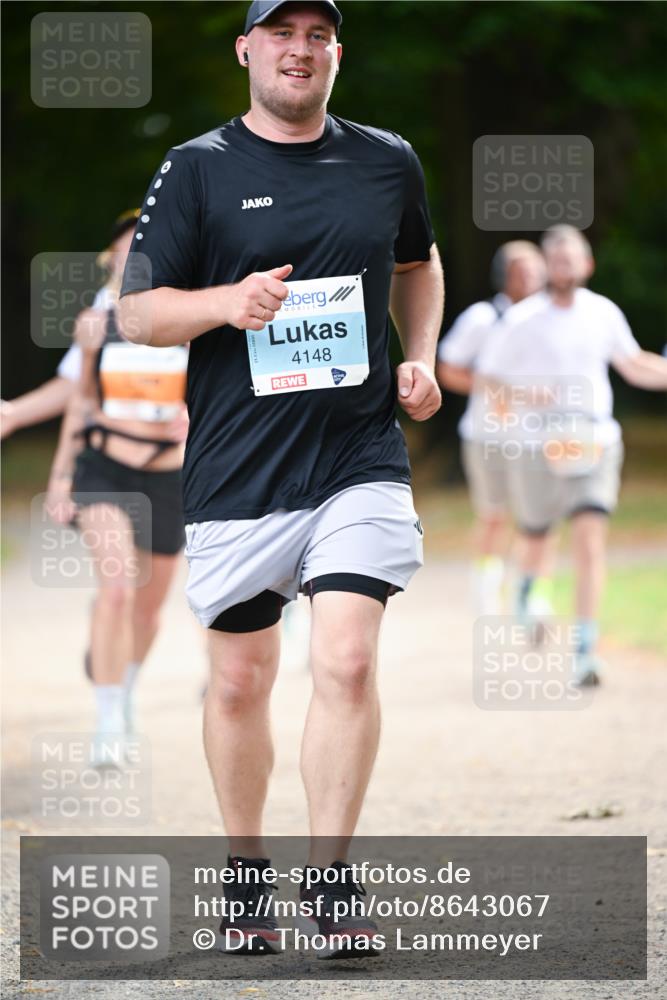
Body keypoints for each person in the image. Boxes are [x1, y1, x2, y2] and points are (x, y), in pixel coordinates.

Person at [119, 0, 443, 957]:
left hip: (358, 456)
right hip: (238, 466)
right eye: (281, 34)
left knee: (344, 658)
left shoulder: (388, 158)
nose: (299, 51)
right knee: (238, 683)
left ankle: (332, 884)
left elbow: (416, 264)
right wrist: (230, 301)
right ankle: (247, 874)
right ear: (246, 49)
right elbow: (138, 316)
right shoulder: (199, 167)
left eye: (317, 37)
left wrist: (416, 353)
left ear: (335, 54)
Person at [479, 225, 667, 685]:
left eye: (571, 259)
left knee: (589, 538)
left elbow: (633, 363)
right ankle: (527, 593)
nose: (563, 267)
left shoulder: (602, 313)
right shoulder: (521, 321)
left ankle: (584, 649)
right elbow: (489, 381)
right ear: (545, 266)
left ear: (587, 265)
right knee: (538, 538)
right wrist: (525, 399)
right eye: (555, 259)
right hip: (537, 445)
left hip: (594, 440)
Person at [46, 210, 189, 763]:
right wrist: (61, 476)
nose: (137, 254)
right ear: (112, 256)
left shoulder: (188, 318)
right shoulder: (94, 324)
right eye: (128, 245)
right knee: (117, 590)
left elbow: (210, 395)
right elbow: (80, 401)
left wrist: (194, 416)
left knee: (148, 611)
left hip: (169, 474)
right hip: (104, 468)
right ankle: (106, 720)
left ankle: (124, 690)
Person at [437, 242, 550, 617]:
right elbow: (448, 368)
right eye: (523, 269)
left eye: (537, 268)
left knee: (538, 519)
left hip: (538, 437)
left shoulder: (554, 318)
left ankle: (532, 594)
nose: (531, 277)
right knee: (494, 515)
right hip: (487, 436)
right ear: (505, 275)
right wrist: (499, 390)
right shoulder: (482, 318)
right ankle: (487, 590)